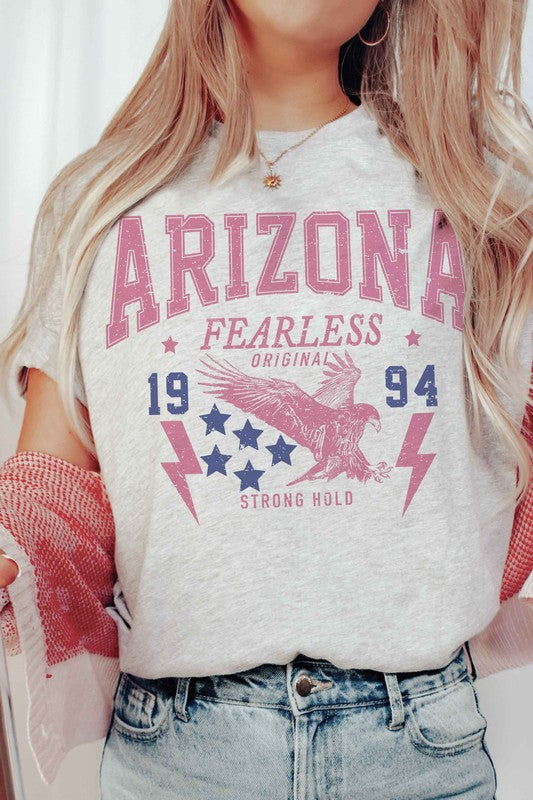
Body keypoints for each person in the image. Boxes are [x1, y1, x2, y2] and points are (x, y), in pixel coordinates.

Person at [0, 0, 532, 797]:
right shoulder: (98, 204)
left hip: (419, 746)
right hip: (175, 754)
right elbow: (52, 503)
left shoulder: (485, 204)